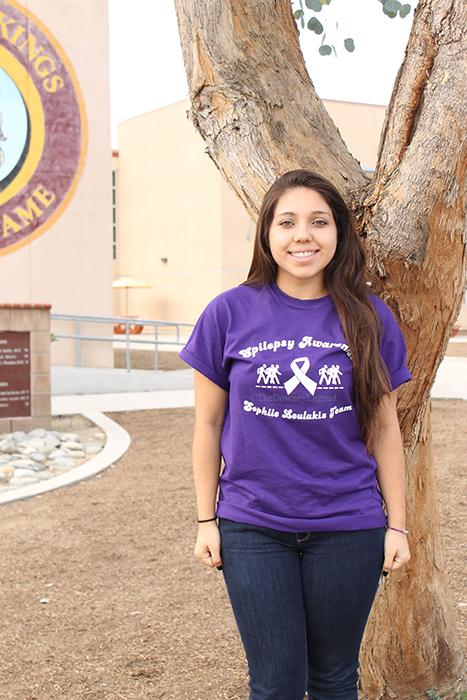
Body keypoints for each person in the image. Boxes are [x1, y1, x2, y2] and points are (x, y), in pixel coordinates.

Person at [178, 169, 412, 700]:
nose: (302, 235)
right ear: (266, 233)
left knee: (333, 679)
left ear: (339, 233)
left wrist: (396, 526)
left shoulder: (370, 319)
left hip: (347, 525)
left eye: (318, 222)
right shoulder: (228, 313)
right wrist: (205, 519)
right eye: (287, 222)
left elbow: (384, 431)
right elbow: (208, 424)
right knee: (276, 683)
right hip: (253, 526)